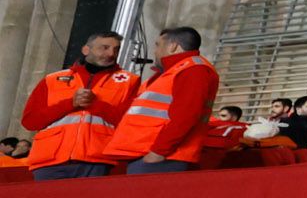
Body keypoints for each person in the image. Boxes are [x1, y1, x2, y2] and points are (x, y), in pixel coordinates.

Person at [21, 30, 140, 181]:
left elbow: (130, 124)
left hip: (99, 161)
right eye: (104, 47)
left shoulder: (130, 81)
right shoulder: (53, 79)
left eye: (116, 49)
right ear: (86, 50)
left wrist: (94, 104)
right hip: (50, 161)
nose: (111, 53)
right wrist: (71, 103)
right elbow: (30, 121)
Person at [102, 27, 221, 175]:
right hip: (150, 154)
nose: (155, 51)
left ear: (173, 46)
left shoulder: (193, 69)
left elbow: (186, 115)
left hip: (161, 156)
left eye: (158, 45)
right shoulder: (173, 72)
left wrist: (158, 152)